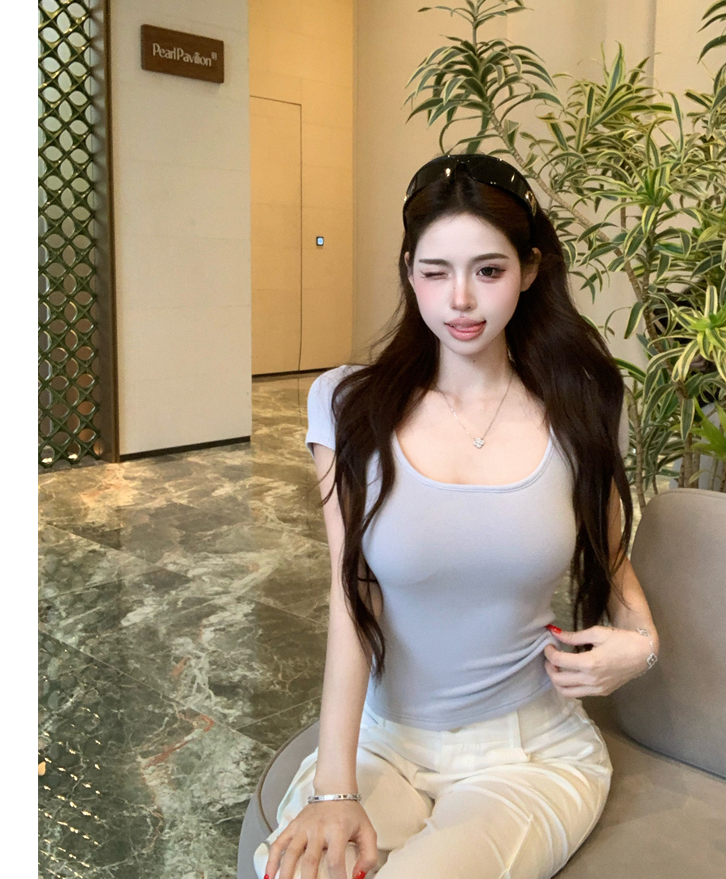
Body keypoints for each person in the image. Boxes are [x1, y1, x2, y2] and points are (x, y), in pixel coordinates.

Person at [256, 154, 660, 879]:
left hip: (528, 754)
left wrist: (644, 642)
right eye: (435, 271)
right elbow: (351, 594)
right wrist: (335, 788)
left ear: (530, 270)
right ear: (409, 272)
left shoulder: (581, 403)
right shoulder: (347, 405)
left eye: (489, 270)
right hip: (383, 742)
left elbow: (611, 553)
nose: (461, 300)